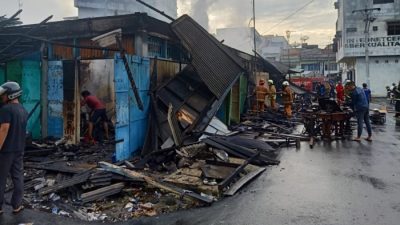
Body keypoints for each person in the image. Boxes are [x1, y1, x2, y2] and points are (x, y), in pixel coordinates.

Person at [0, 82, 28, 214]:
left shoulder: (6, 109)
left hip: (6, 151)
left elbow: (4, 129)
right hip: (19, 149)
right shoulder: (23, 109)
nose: (2, 96)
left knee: (1, 178)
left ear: (10, 95)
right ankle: (16, 205)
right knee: (17, 177)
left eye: (4, 94)